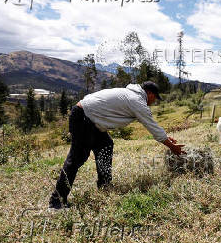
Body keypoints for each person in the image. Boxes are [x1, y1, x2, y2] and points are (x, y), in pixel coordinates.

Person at [48, 81, 185, 210]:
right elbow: (152, 126)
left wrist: (166, 138)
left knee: (105, 145)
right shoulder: (137, 101)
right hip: (84, 118)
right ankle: (57, 201)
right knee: (77, 158)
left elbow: (154, 126)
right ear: (149, 93)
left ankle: (105, 186)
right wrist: (171, 146)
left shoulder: (130, 94)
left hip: (91, 119)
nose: (154, 102)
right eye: (155, 98)